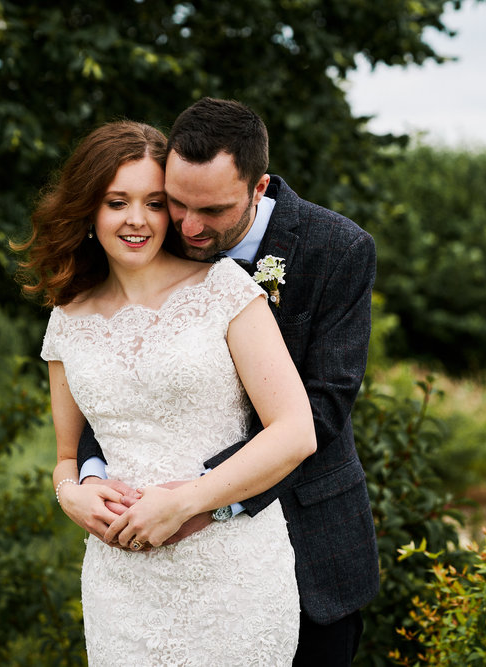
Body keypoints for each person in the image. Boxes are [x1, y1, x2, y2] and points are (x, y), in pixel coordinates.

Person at [74, 98, 380, 666]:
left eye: (211, 210)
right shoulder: (158, 232)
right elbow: (122, 373)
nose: (189, 227)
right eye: (178, 203)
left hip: (307, 541)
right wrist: (89, 475)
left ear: (258, 187)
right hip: (159, 558)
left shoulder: (337, 249)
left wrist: (200, 502)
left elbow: (321, 408)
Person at [15, 119, 317, 665]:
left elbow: (295, 432)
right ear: (90, 210)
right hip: (120, 584)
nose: (137, 220)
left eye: (155, 203)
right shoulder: (66, 319)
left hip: (231, 575)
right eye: (116, 202)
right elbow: (66, 456)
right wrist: (73, 497)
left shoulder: (225, 289)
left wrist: (185, 501)